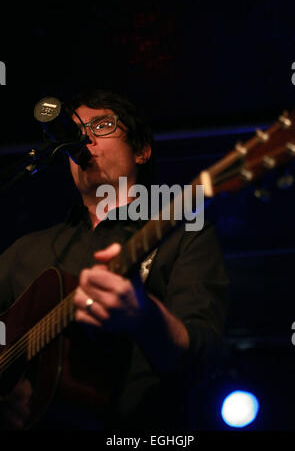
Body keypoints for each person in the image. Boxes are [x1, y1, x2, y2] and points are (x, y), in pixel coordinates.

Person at [0, 89, 229, 431]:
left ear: (141, 151)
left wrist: (145, 316)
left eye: (102, 125)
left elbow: (203, 359)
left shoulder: (182, 233)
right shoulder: (24, 251)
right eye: (77, 132)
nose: (85, 138)